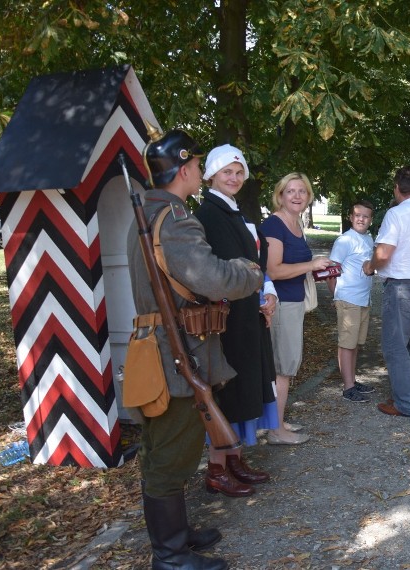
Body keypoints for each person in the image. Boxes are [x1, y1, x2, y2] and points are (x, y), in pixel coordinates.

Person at [127, 128, 265, 569]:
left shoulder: (151, 213)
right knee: (170, 456)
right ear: (186, 170)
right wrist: (249, 271)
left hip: (161, 348)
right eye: (195, 167)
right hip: (177, 352)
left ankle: (178, 535)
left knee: (165, 450)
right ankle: (168, 556)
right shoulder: (177, 219)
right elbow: (212, 278)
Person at [195, 144, 277, 497]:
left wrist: (264, 293)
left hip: (245, 312)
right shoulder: (211, 214)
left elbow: (253, 262)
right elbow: (219, 270)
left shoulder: (231, 211)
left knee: (243, 387)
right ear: (211, 175)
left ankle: (234, 458)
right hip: (228, 317)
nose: (234, 177)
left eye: (239, 171)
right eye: (227, 171)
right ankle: (217, 467)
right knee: (227, 392)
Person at [363, 166, 410, 417]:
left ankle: (405, 403)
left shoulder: (396, 214)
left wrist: (370, 266)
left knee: (395, 346)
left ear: (397, 187)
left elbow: (384, 254)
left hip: (401, 288)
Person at [260, 173, 332, 444]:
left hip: (293, 301)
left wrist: (320, 265)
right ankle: (276, 431)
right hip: (281, 304)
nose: (297, 196)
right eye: (291, 191)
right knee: (283, 367)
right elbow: (273, 270)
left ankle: (277, 421)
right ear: (280, 195)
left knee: (284, 366)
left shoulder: (296, 223)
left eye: (302, 191)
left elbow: (296, 264)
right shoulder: (274, 225)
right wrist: (310, 266)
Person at [327, 200, 377, 402]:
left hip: (363, 298)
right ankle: (348, 388)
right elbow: (331, 271)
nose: (361, 219)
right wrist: (336, 296)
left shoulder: (368, 238)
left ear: (371, 220)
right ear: (350, 217)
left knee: (355, 343)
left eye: (365, 216)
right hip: (348, 298)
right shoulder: (345, 240)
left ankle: (352, 380)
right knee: (347, 343)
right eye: (357, 215)